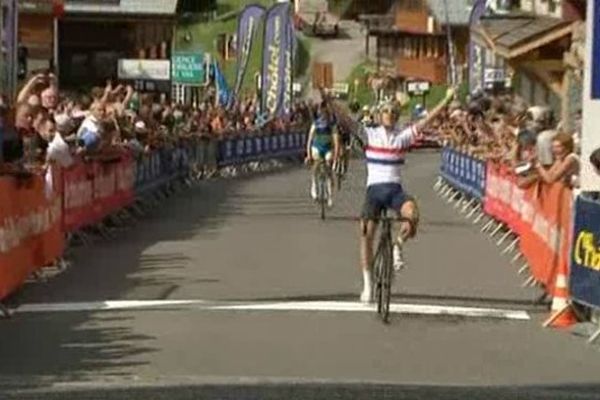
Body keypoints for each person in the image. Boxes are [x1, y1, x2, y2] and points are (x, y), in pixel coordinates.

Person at [355, 87, 455, 303]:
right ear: (379, 115)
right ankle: (367, 284)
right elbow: (345, 119)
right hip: (374, 191)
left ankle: (397, 243)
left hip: (394, 191)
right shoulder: (369, 134)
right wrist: (327, 98)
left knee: (413, 214)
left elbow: (427, 120)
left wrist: (446, 100)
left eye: (393, 112)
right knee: (365, 233)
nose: (389, 115)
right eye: (386, 112)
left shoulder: (402, 137)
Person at [305, 101, 340, 207]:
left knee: (329, 170)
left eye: (325, 112)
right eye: (322, 111)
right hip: (316, 147)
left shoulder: (331, 124)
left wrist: (336, 155)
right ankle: (314, 185)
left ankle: (330, 196)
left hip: (328, 147)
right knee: (315, 165)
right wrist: (308, 154)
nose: (323, 113)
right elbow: (310, 140)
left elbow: (336, 140)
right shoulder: (316, 123)